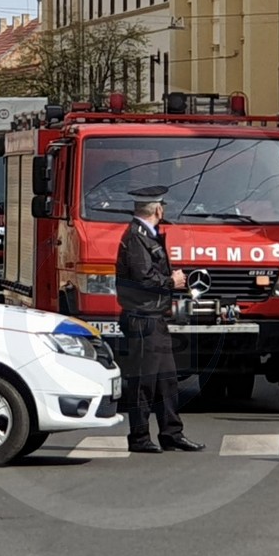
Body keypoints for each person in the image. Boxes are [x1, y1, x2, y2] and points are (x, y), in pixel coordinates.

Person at [115, 185, 205, 454]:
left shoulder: (148, 236)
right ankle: (139, 436)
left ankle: (171, 433)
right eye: (162, 207)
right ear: (157, 209)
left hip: (155, 316)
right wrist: (172, 281)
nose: (163, 210)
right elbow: (143, 279)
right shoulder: (136, 238)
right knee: (143, 380)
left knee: (167, 379)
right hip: (142, 317)